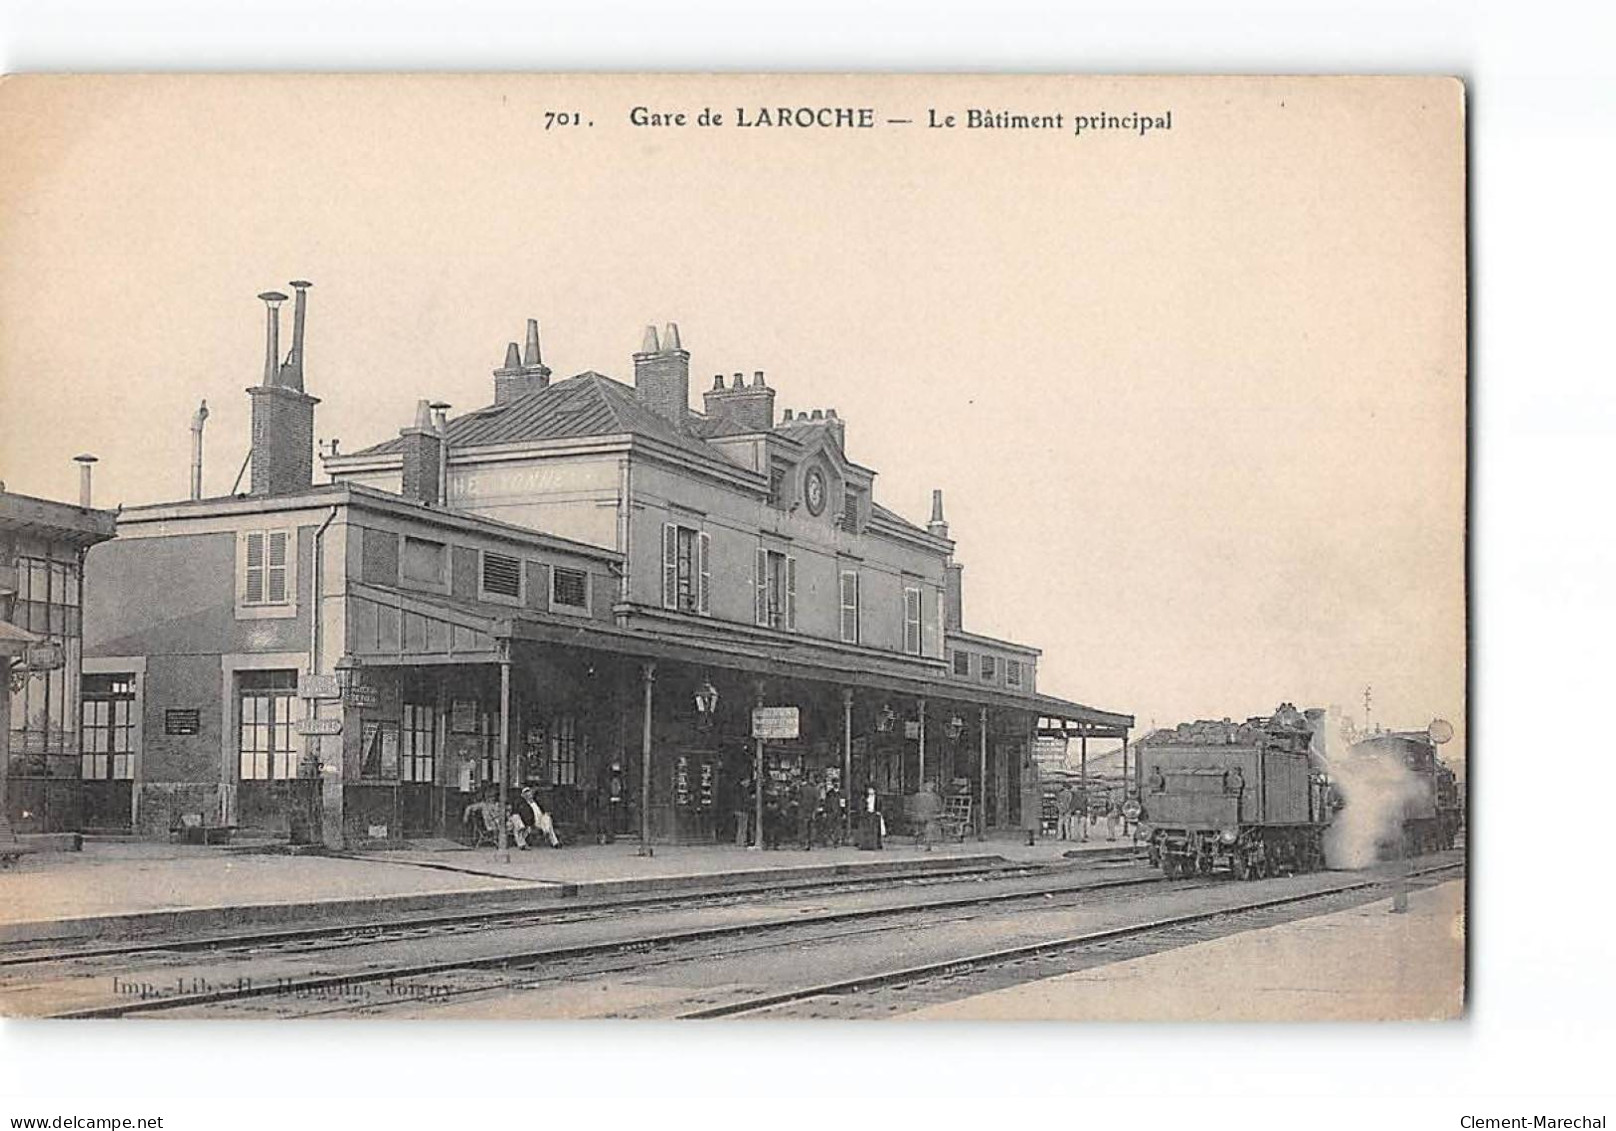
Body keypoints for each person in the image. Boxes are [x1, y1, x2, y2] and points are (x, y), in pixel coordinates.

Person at [913, 781, 944, 851]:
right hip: (930, 816)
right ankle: (931, 844)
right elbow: (939, 808)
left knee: (926, 826)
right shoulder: (935, 797)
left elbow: (915, 807)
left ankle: (924, 844)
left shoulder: (918, 796)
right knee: (932, 825)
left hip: (920, 816)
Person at [797, 775, 821, 850]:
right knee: (811, 827)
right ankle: (811, 843)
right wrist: (815, 810)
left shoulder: (802, 789)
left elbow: (799, 800)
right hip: (811, 810)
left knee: (803, 827)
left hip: (803, 810)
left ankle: (804, 843)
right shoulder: (815, 789)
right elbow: (817, 801)